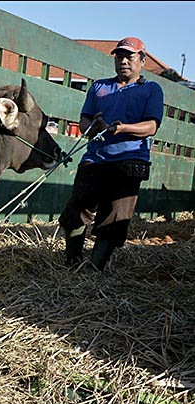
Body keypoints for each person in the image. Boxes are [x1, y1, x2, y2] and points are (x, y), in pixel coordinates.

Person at [58, 37, 164, 271]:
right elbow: (84, 119)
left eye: (130, 56)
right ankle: (72, 263)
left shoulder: (151, 89)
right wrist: (90, 127)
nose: (123, 61)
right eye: (119, 56)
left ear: (143, 61)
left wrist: (123, 128)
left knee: (114, 217)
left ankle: (95, 269)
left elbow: (151, 126)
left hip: (130, 160)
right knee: (77, 207)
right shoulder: (99, 87)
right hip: (96, 158)